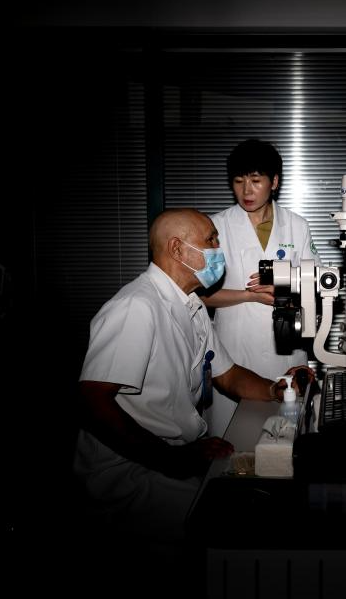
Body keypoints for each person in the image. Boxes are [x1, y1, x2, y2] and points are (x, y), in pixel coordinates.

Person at [73, 208, 309, 559]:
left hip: (173, 459)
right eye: (211, 240)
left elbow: (229, 375)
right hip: (130, 474)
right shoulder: (137, 306)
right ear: (177, 249)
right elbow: (92, 401)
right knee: (244, 526)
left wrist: (276, 388)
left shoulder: (191, 307)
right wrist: (173, 459)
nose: (219, 249)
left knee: (264, 497)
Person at [201, 139, 322, 437]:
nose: (246, 191)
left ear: (274, 182)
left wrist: (285, 285)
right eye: (238, 181)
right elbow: (200, 296)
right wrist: (249, 295)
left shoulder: (297, 226)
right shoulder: (215, 228)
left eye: (256, 181)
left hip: (286, 350)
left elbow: (316, 284)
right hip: (234, 355)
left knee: (288, 441)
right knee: (233, 442)